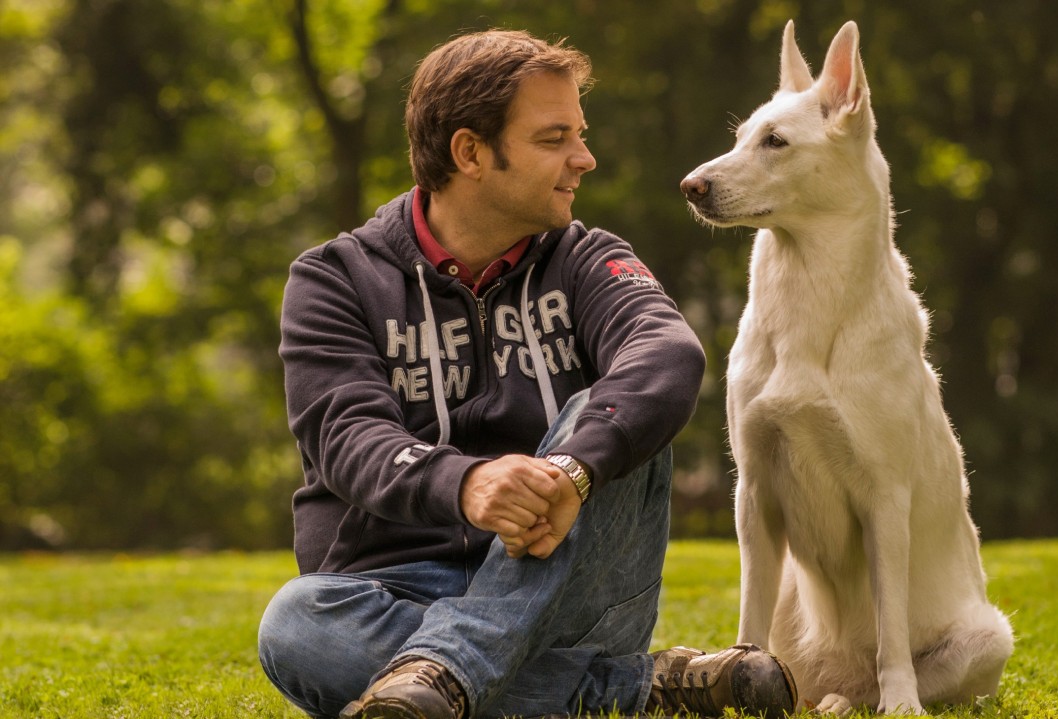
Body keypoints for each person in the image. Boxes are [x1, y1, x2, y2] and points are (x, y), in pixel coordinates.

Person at [256, 28, 796, 719]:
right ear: (470, 152)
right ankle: (640, 690)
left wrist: (573, 469)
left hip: (571, 590)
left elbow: (666, 353)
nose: (584, 158)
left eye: (580, 133)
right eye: (554, 139)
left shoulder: (589, 258)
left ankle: (441, 675)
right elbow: (347, 436)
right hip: (396, 588)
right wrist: (468, 483)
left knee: (606, 411)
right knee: (299, 623)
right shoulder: (335, 279)